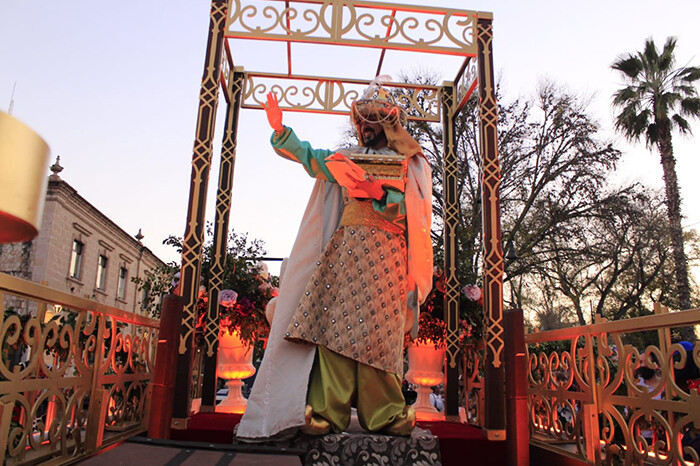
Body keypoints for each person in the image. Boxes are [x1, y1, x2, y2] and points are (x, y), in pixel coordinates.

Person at [236, 77, 433, 441]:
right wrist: (281, 130)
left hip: (386, 259)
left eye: (375, 121)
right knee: (334, 331)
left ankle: (386, 413)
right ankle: (327, 412)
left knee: (378, 336)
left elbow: (411, 212)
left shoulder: (407, 165)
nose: (367, 128)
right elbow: (311, 157)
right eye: (363, 122)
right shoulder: (346, 157)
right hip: (344, 254)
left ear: (388, 125)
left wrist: (375, 192)